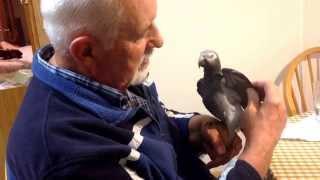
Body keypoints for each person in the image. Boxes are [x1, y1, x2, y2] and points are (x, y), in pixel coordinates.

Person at [6, 0, 286, 179]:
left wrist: (192, 129)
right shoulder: (74, 159)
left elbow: (150, 127)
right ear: (87, 51)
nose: (160, 39)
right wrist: (260, 147)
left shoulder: (111, 79)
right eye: (142, 32)